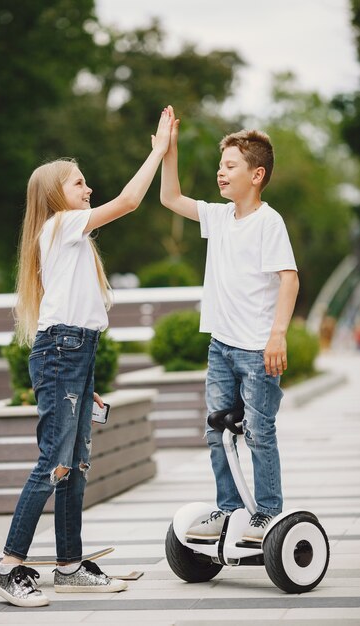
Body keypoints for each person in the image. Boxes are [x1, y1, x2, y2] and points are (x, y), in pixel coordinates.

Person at [0, 108, 173, 608]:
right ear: (56, 195)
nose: (87, 189)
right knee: (53, 460)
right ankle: (10, 567)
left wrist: (84, 375)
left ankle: (69, 565)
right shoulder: (60, 226)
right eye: (79, 182)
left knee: (75, 463)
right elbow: (131, 201)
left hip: (76, 351)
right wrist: (158, 151)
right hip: (60, 350)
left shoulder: (72, 237)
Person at [160, 105, 299, 544]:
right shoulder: (219, 219)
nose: (221, 173)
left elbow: (289, 279)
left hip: (258, 349)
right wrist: (168, 151)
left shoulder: (268, 222)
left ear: (256, 175)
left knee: (259, 432)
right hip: (220, 346)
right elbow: (169, 198)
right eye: (221, 166)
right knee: (217, 430)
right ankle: (230, 508)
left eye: (230, 166)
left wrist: (278, 335)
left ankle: (269, 514)